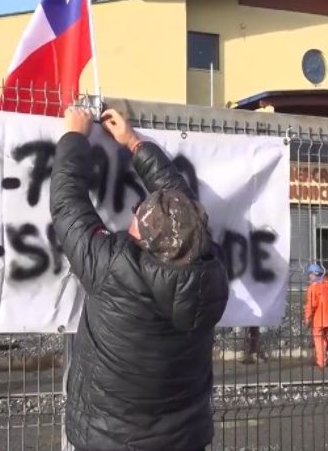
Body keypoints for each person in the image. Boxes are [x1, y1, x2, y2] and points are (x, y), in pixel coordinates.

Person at [51, 107, 228, 451]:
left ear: (143, 237)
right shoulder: (209, 264)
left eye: (138, 218)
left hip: (109, 442)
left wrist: (74, 136)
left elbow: (67, 204)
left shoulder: (113, 266)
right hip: (184, 439)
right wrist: (134, 142)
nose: (132, 216)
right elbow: (182, 210)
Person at [304, 264, 328, 369]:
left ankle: (321, 363)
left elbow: (311, 305)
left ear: (314, 274)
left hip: (318, 319)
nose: (309, 276)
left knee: (319, 340)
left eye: (310, 274)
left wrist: (307, 318)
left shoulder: (313, 288)